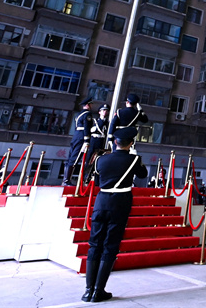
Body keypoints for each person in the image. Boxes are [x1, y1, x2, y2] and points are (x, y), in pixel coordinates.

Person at [82, 126, 147, 302]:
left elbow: (97, 179)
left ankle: (88, 291)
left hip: (101, 201)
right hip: (119, 203)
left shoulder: (100, 159)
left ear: (115, 142)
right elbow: (143, 175)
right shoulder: (134, 159)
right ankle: (98, 290)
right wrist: (135, 155)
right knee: (110, 245)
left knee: (94, 244)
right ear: (131, 143)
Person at [64, 98, 94, 186]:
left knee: (71, 157)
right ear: (88, 105)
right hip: (81, 137)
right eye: (91, 104)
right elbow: (86, 127)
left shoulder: (79, 114)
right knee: (75, 158)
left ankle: (66, 179)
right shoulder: (87, 114)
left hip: (76, 136)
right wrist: (87, 140)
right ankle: (67, 180)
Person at [85, 104, 109, 169]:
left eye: (106, 111)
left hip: (102, 140)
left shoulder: (107, 123)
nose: (105, 112)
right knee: (90, 157)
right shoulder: (95, 121)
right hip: (94, 140)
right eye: (103, 110)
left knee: (99, 157)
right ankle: (86, 170)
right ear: (99, 112)